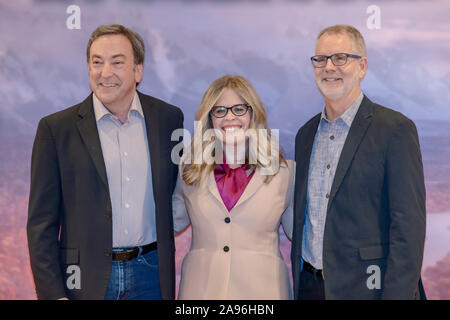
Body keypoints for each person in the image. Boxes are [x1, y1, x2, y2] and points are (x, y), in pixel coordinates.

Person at [27, 24, 183, 300]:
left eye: (117, 62)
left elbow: (179, 194)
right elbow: (41, 224)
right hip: (85, 277)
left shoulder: (168, 119)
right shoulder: (56, 129)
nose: (105, 72)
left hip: (151, 273)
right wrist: (53, 294)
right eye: (96, 62)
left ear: (138, 70)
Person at [291, 24, 426, 300]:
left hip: (369, 291)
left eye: (340, 58)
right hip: (310, 288)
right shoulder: (305, 135)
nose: (329, 67)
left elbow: (408, 229)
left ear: (362, 66)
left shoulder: (394, 129)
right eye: (320, 59)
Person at [173, 75, 294, 299]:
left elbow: (302, 234)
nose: (230, 117)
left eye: (239, 109)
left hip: (263, 294)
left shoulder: (285, 173)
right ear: (209, 119)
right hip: (201, 293)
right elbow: (168, 223)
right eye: (220, 110)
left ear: (253, 114)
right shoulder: (188, 169)